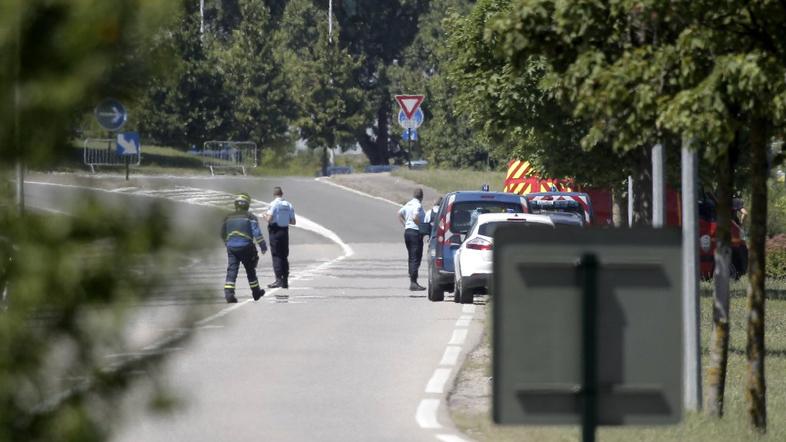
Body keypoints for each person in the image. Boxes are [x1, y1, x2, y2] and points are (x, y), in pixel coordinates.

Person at [221, 193, 267, 303]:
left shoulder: (228, 217)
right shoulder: (250, 217)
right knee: (250, 269)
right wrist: (263, 245)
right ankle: (256, 292)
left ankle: (229, 293)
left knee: (232, 269)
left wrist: (227, 243)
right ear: (247, 205)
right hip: (246, 246)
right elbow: (256, 232)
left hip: (231, 247)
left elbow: (223, 233)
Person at [264, 186, 296, 289]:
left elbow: (269, 218)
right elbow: (293, 222)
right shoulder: (288, 204)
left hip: (275, 231)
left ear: (274, 194)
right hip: (284, 231)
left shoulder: (273, 204)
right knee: (284, 256)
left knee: (276, 255)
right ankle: (285, 280)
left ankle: (278, 280)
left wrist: (264, 216)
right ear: (282, 194)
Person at [398, 188, 427, 291]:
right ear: (421, 197)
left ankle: (412, 278)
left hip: (408, 232)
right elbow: (415, 217)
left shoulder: (408, 204)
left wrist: (406, 225)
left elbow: (399, 214)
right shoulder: (417, 205)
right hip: (415, 233)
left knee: (411, 256)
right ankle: (413, 282)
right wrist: (421, 227)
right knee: (416, 257)